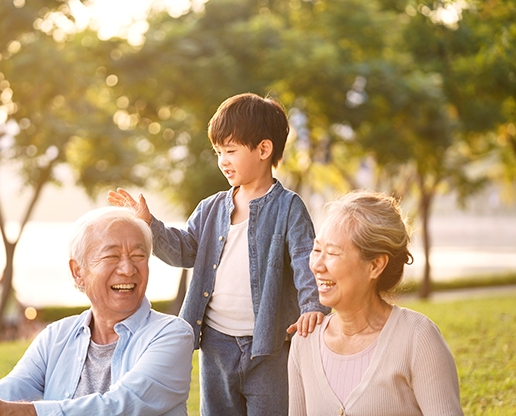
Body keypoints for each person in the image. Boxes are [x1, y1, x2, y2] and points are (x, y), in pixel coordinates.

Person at [108, 92, 330, 416]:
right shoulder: (210, 208)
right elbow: (184, 251)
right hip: (215, 345)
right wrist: (149, 224)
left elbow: (304, 259)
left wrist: (313, 306)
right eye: (218, 152)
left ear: (264, 150)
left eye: (230, 151)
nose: (222, 160)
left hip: (267, 347)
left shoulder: (288, 207)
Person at [0, 207, 194, 416]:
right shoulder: (56, 336)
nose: (128, 269)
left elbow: (120, 406)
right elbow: (5, 394)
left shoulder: (172, 334)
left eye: (138, 256)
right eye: (112, 256)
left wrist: (7, 410)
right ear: (78, 272)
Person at [288, 190, 464, 416]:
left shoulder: (418, 338)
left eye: (332, 253)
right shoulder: (305, 341)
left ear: (375, 265)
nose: (317, 265)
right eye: (317, 250)